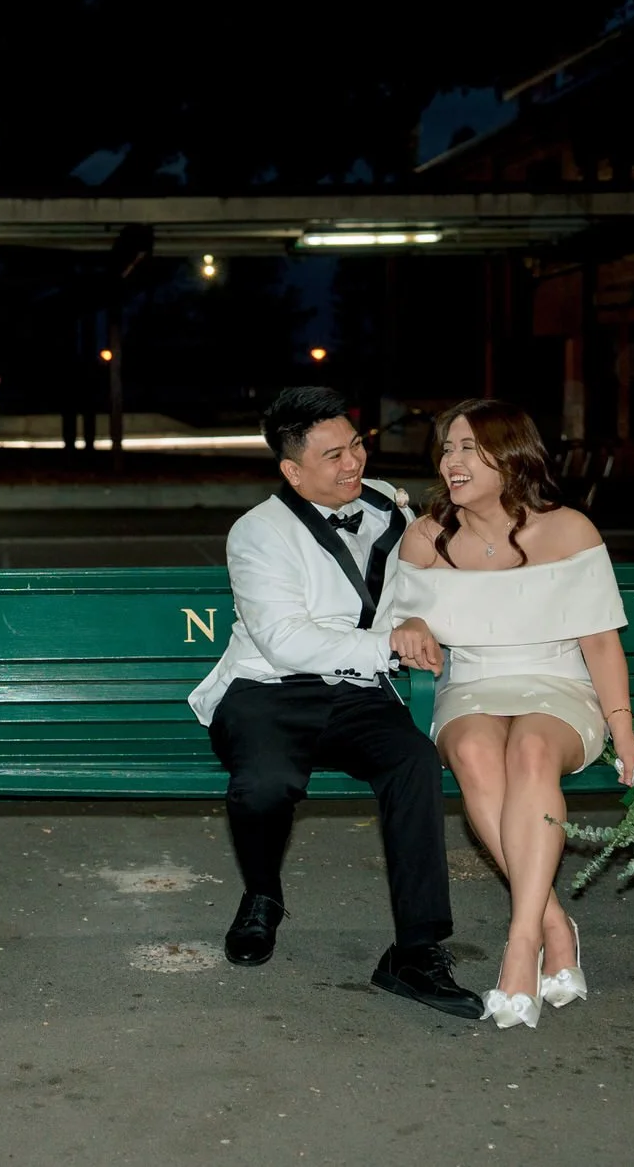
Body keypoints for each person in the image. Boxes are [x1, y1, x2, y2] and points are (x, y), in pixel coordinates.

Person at [188, 387, 483, 1019]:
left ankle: (416, 949)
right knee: (265, 784)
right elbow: (286, 641)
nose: (353, 462)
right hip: (267, 689)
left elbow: (425, 583)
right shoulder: (258, 533)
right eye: (333, 456)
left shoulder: (386, 507)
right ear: (293, 472)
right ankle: (262, 896)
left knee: (413, 762)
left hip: (354, 691)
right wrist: (389, 647)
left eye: (355, 445)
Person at [391, 398, 634, 1030]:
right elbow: (397, 621)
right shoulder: (427, 536)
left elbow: (599, 641)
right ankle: (552, 922)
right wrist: (414, 623)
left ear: (509, 457)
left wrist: (625, 735)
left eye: (468, 448)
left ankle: (521, 943)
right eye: (447, 448)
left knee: (530, 751)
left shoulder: (567, 531)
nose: (452, 461)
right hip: (474, 687)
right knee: (479, 752)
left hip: (558, 688)